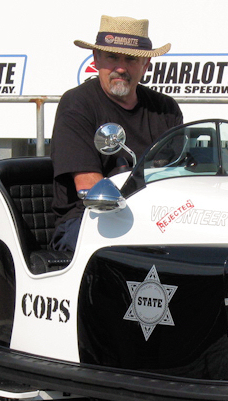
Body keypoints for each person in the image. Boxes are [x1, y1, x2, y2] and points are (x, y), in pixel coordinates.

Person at [49, 15, 184, 253]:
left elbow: (180, 178)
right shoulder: (77, 104)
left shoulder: (165, 109)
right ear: (96, 59)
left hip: (158, 218)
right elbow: (90, 187)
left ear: (145, 65)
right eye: (112, 57)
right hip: (88, 220)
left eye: (131, 59)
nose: (120, 68)